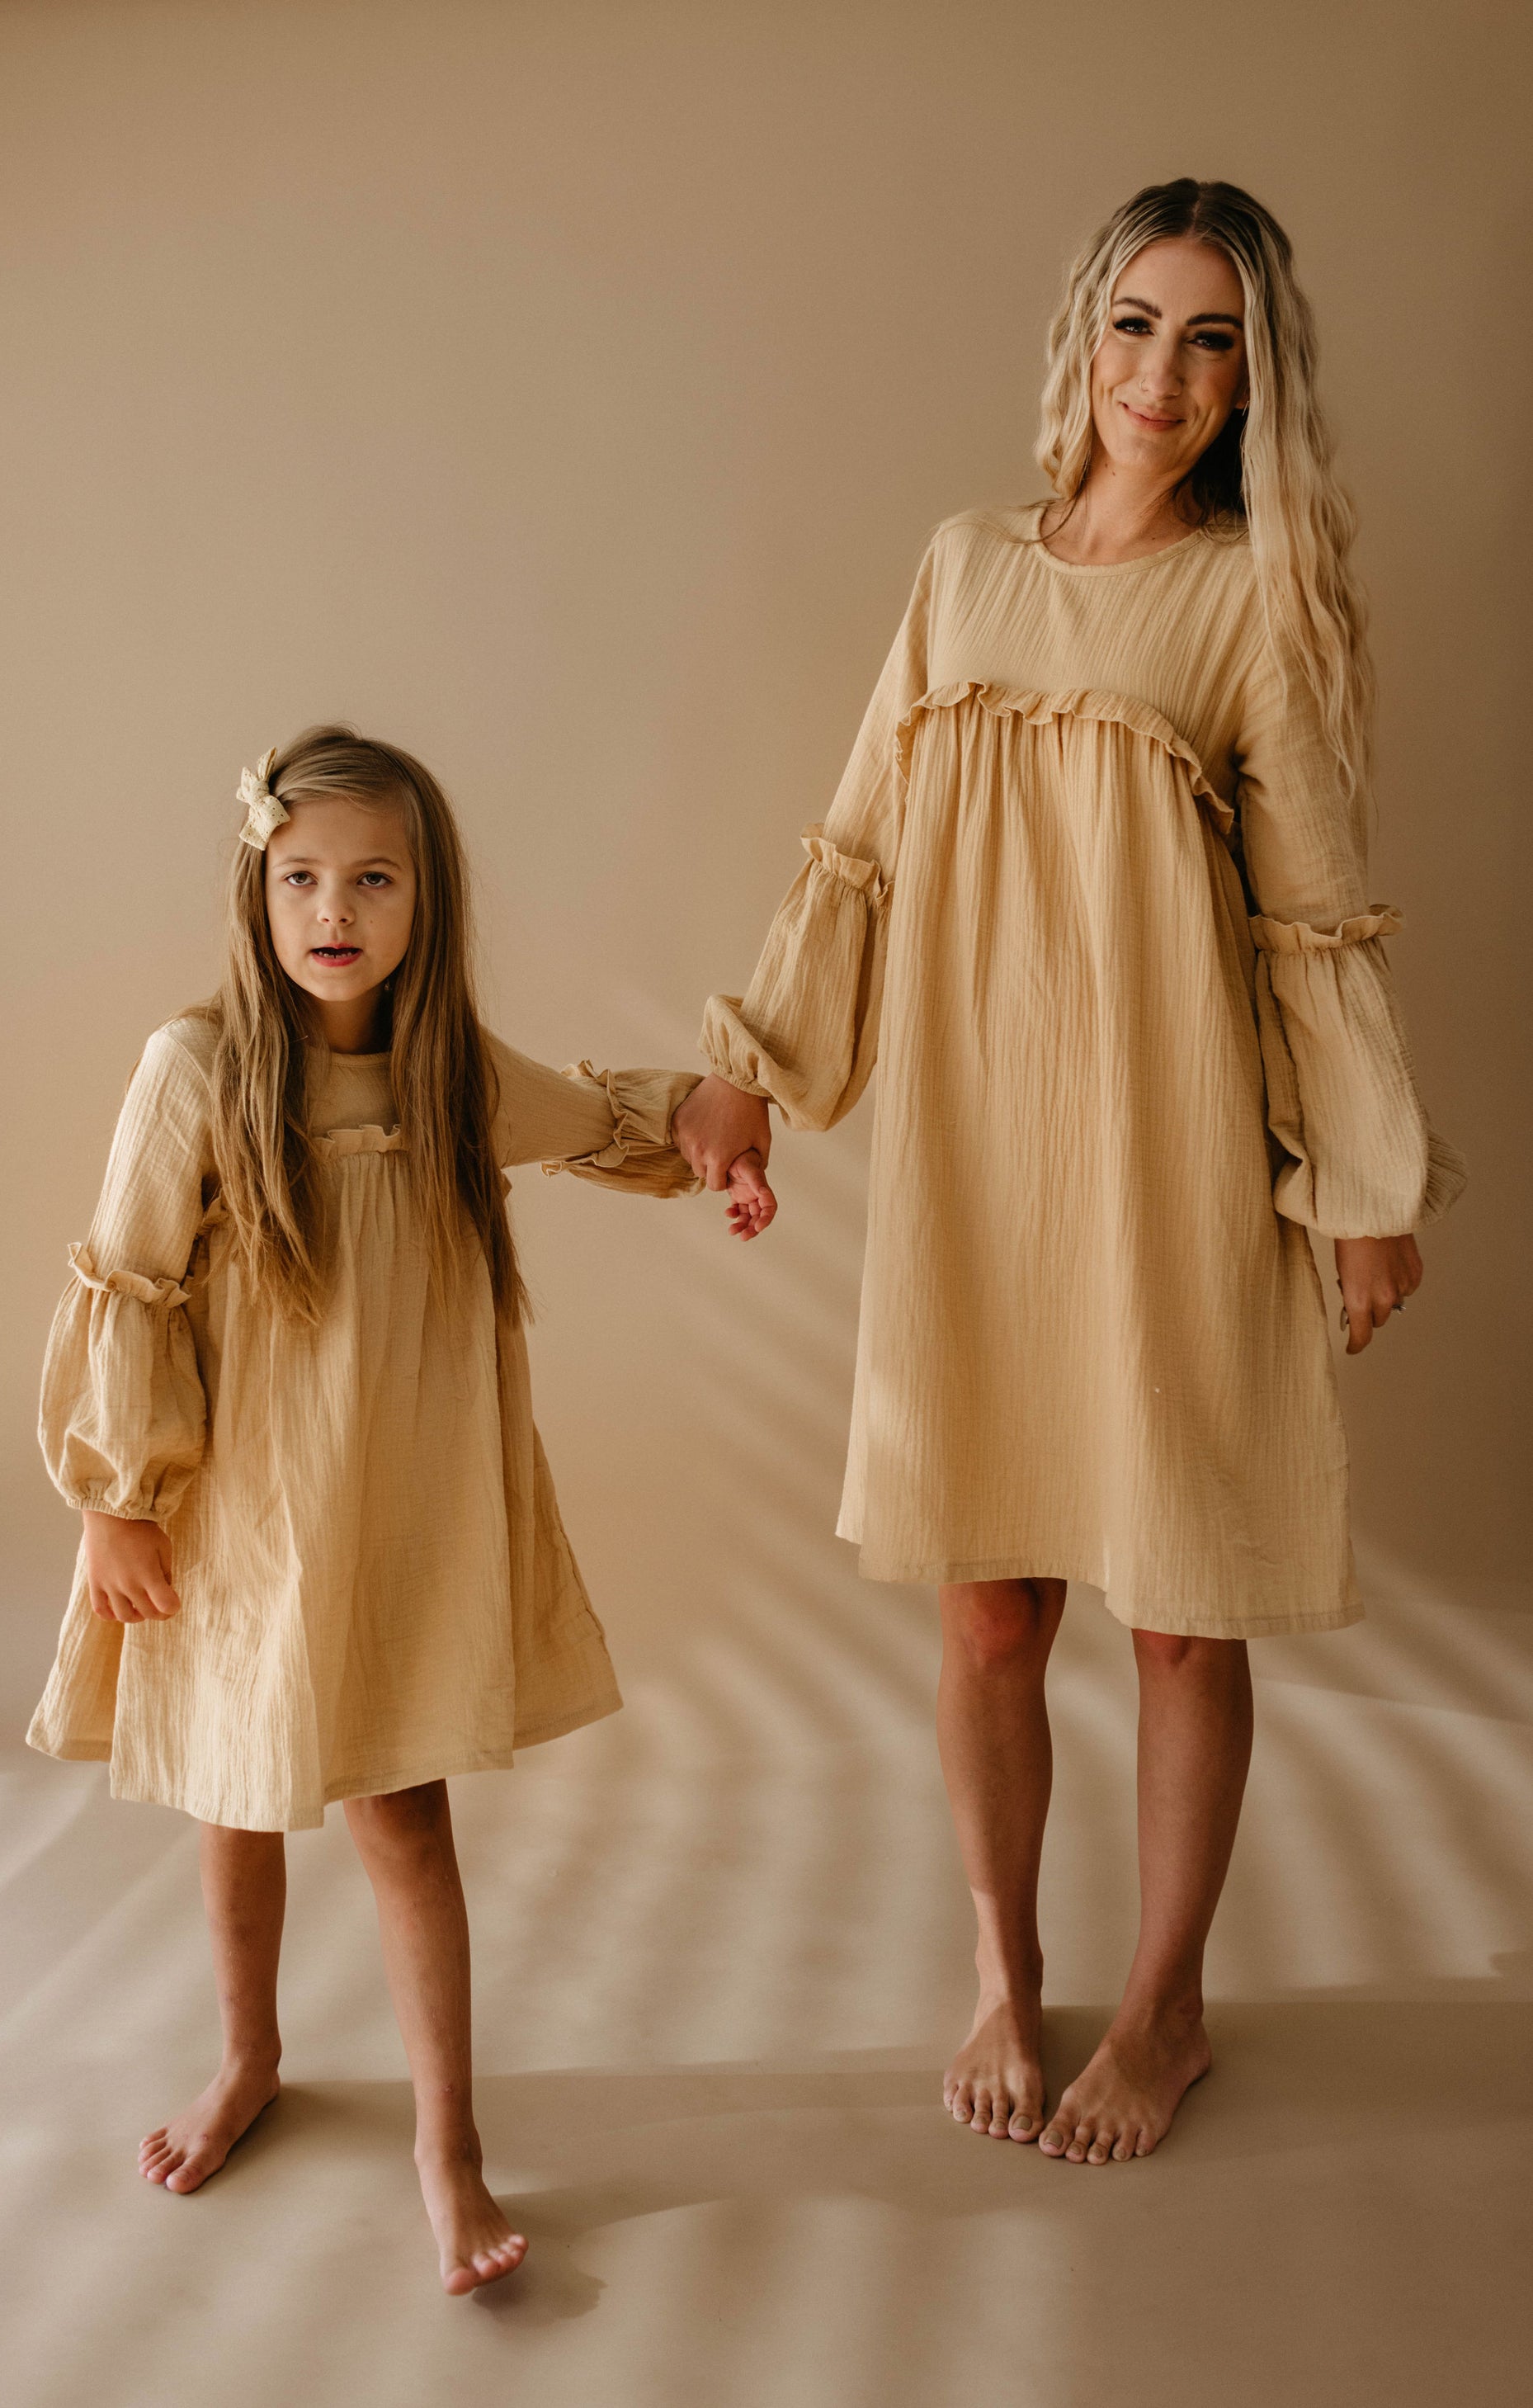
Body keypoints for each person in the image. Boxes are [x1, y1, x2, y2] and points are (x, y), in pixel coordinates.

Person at [673, 179, 1465, 2167]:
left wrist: (1360, 1182)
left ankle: (1166, 1998)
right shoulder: (961, 567)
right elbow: (855, 835)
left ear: (1252, 379)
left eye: (1212, 340)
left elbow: (1308, 921)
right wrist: (753, 1069)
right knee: (989, 1613)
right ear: (1081, 340)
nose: (1163, 376)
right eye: (1135, 325)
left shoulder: (1245, 601)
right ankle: (1002, 1969)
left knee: (1183, 1612)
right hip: (973, 1148)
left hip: (1170, 1144)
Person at [28, 726, 776, 2292]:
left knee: (404, 1812)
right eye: (300, 876)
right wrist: (116, 1500)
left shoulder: (446, 1075)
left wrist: (710, 1118)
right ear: (257, 889)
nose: (335, 908)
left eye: (373, 877)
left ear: (424, 897)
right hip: (245, 1513)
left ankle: (450, 2141)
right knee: (239, 1794)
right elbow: (129, 1281)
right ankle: (248, 2058)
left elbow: (594, 1118)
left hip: (399, 1517)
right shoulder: (202, 1069)